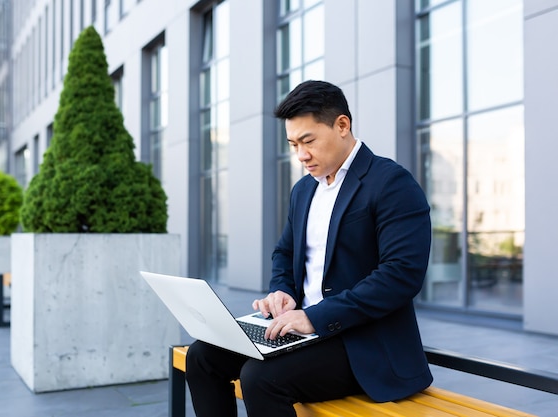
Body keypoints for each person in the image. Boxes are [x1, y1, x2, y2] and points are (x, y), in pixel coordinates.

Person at [185, 80, 433, 417]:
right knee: (201, 356)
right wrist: (282, 291)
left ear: (342, 125)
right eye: (293, 144)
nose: (301, 155)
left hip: (361, 341)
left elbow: (400, 276)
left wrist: (314, 318)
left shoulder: (391, 183)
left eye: (308, 141)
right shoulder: (304, 190)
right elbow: (285, 253)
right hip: (300, 328)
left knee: (260, 377)